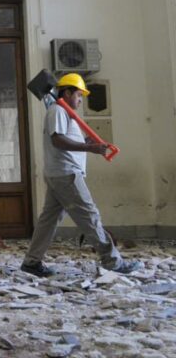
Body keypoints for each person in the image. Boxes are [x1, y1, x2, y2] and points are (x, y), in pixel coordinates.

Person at [21, 73, 141, 277]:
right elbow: (58, 140)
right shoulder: (57, 110)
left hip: (59, 174)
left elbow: (69, 137)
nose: (80, 99)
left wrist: (90, 143)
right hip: (66, 174)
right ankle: (112, 261)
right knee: (90, 216)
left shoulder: (65, 113)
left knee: (48, 220)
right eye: (78, 94)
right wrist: (90, 148)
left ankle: (32, 262)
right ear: (66, 92)